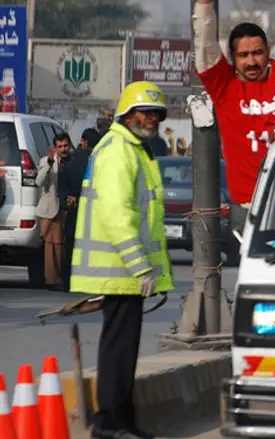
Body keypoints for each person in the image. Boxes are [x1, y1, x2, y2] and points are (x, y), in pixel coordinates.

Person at [70, 81, 174, 439]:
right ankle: (109, 425)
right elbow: (117, 215)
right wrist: (140, 266)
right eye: (146, 113)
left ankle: (122, 422)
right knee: (118, 350)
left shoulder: (135, 149)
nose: (152, 120)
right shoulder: (118, 151)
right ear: (127, 114)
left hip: (124, 272)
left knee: (124, 349)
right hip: (119, 270)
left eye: (157, 115)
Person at [192, 0, 275, 236]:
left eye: (257, 53)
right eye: (243, 55)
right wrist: (204, 6)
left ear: (268, 51)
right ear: (233, 58)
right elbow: (205, 47)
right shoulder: (224, 87)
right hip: (248, 203)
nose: (252, 62)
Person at [59, 128, 102, 293]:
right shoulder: (101, 162)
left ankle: (67, 281)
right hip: (95, 211)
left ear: (83, 142)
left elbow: (62, 188)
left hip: (75, 210)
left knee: (70, 246)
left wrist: (68, 200)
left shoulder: (71, 162)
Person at [35, 133, 71, 289]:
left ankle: (62, 278)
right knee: (52, 247)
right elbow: (39, 181)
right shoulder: (47, 161)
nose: (63, 149)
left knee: (62, 246)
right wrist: (50, 163)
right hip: (51, 210)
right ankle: (52, 280)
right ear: (55, 148)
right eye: (60, 146)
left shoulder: (71, 161)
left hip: (67, 208)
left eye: (65, 146)